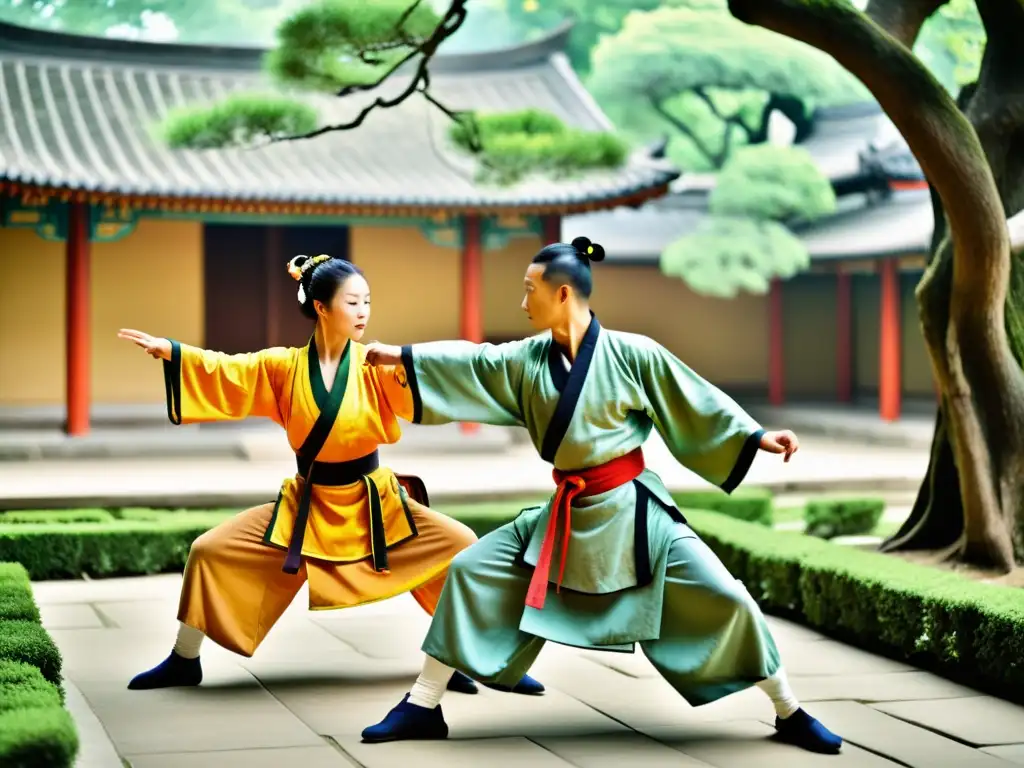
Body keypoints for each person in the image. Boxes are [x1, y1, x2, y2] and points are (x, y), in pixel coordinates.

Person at [358, 238, 843, 754]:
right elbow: (475, 363)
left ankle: (789, 710)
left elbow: (693, 397)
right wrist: (401, 356)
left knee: (724, 595)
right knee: (471, 570)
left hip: (635, 514)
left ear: (562, 293)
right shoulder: (528, 359)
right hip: (565, 515)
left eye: (530, 291)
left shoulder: (635, 354)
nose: (523, 303)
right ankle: (423, 703)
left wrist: (754, 436)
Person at [118, 254, 542, 697]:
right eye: (353, 302)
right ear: (322, 308)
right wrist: (175, 352)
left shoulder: (375, 362)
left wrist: (411, 363)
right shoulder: (283, 366)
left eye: (368, 302)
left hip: (375, 506)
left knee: (460, 548)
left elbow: (434, 380)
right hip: (308, 504)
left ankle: (483, 659)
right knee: (209, 550)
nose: (363, 312)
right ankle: (184, 659)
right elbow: (229, 370)